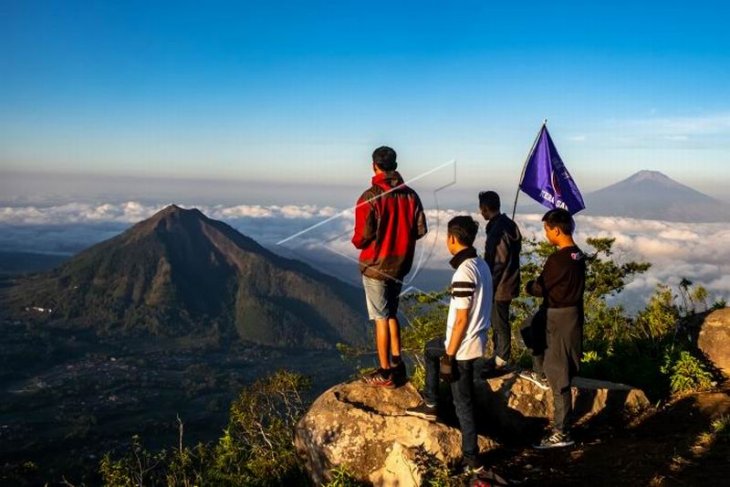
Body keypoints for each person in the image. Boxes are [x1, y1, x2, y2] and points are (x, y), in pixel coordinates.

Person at [405, 216, 492, 473]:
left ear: (452, 239)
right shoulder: (481, 264)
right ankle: (431, 402)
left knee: (462, 402)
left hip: (462, 347)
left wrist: (449, 356)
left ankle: (471, 458)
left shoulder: (464, 271)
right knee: (431, 348)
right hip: (476, 341)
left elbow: (462, 316)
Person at [352, 146, 427, 388]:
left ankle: (385, 373)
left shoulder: (369, 197)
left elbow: (362, 237)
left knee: (380, 318)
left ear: (374, 165)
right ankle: (397, 364)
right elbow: (419, 230)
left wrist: (361, 242)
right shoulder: (411, 195)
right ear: (395, 165)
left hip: (376, 266)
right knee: (391, 313)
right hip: (401, 264)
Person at [523, 208, 586, 449]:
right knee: (529, 326)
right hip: (568, 313)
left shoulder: (557, 260)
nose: (546, 234)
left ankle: (562, 432)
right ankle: (540, 373)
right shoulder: (577, 255)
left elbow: (542, 287)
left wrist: (529, 287)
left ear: (556, 230)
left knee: (558, 373)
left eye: (546, 229)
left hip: (558, 316)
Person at [478, 191, 522, 374]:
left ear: (485, 208)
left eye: (481, 209)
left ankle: (501, 358)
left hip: (501, 285)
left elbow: (498, 261)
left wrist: (488, 283)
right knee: (498, 320)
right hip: (509, 281)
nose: (481, 213)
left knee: (499, 322)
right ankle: (498, 355)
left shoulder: (498, 230)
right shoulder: (508, 225)